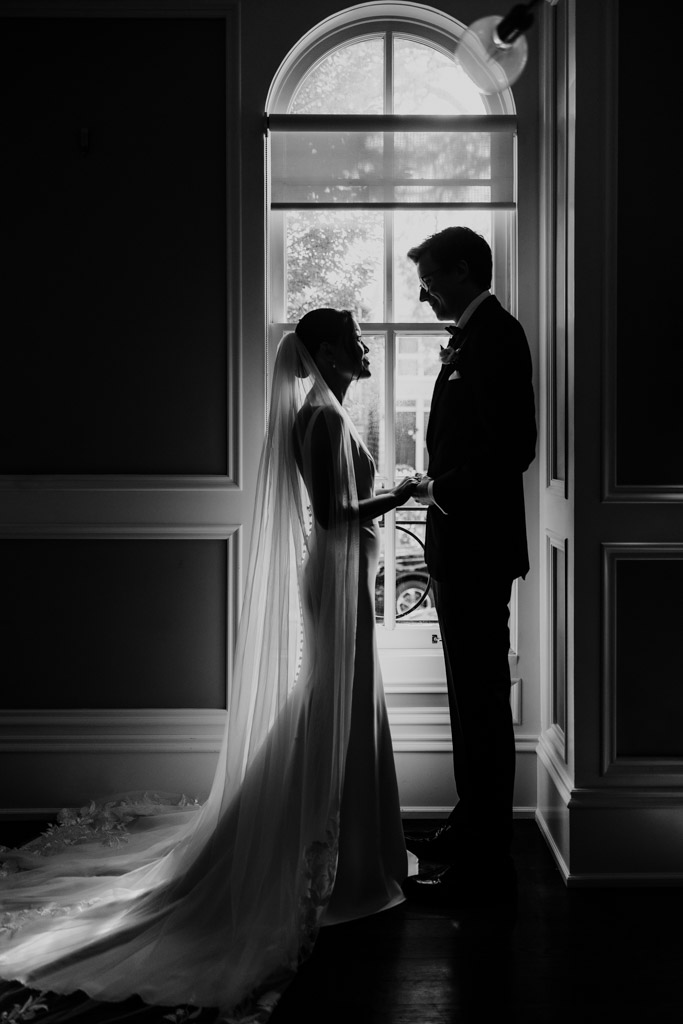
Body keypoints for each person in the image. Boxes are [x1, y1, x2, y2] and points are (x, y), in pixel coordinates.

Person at [0, 308, 417, 1022]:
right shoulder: (318, 421)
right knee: (331, 699)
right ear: (325, 354)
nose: (361, 348)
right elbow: (334, 514)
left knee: (340, 700)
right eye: (350, 341)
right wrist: (404, 494)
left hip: (347, 576)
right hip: (336, 575)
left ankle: (353, 846)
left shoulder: (330, 414)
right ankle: (325, 853)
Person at [403, 227, 536, 904]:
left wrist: (439, 490)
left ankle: (486, 858)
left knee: (481, 698)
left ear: (462, 270)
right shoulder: (473, 336)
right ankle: (468, 823)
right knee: (468, 693)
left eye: (428, 280)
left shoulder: (497, 337)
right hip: (462, 543)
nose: (422, 296)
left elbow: (514, 446)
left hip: (478, 544)